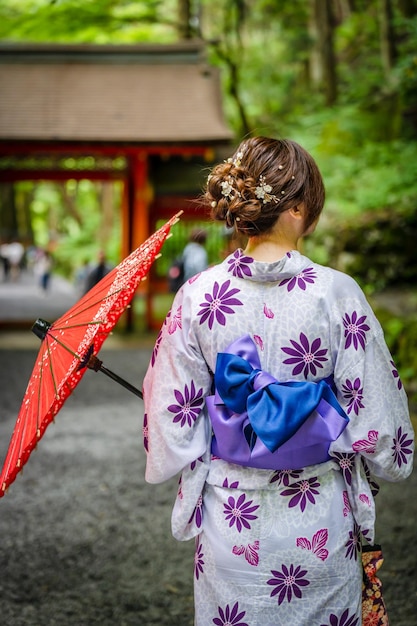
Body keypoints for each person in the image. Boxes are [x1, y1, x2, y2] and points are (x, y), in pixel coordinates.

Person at [142, 137, 414, 625]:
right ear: (299, 207)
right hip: (320, 523)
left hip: (232, 523)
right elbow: (379, 421)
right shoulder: (336, 293)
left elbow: (171, 419)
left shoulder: (198, 296)